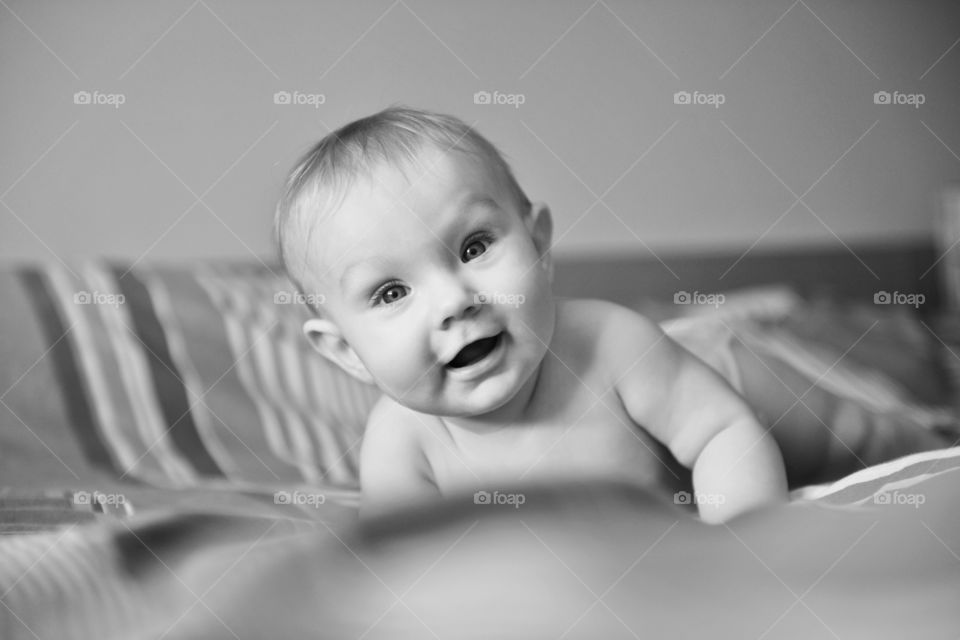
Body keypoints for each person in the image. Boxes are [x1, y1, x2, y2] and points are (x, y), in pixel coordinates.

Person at [274, 106, 949, 523]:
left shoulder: (613, 343)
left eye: (475, 247)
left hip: (730, 378)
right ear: (345, 353)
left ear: (538, 243)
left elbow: (722, 436)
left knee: (862, 438)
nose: (456, 300)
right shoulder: (402, 444)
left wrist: (743, 545)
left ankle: (928, 432)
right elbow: (412, 570)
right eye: (391, 293)